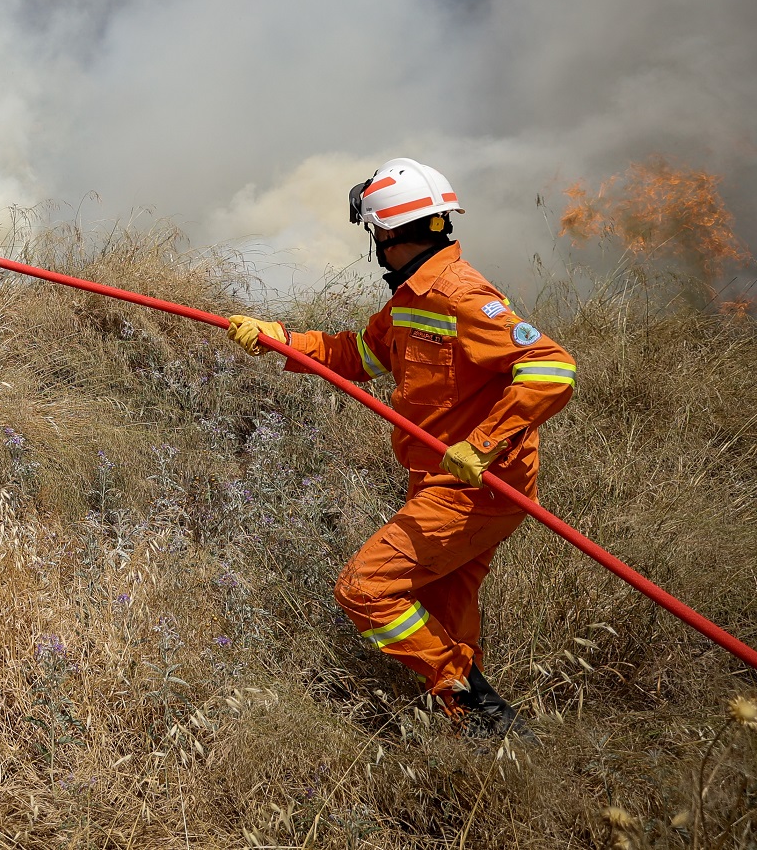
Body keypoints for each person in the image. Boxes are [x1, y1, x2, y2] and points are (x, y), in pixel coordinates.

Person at [224, 158, 575, 738]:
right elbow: (358, 354)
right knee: (443, 608)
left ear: (388, 234)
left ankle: (478, 707)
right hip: (444, 482)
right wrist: (278, 339)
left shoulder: (460, 294)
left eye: (375, 235)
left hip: (474, 487)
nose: (375, 246)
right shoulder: (412, 297)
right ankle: (480, 733)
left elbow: (552, 369)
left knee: (366, 589)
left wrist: (482, 446)